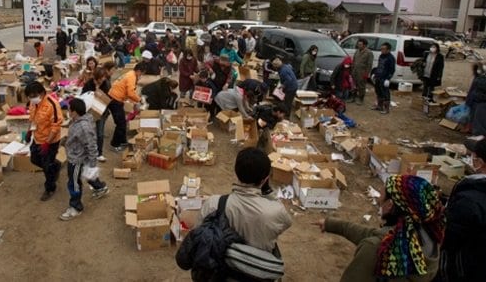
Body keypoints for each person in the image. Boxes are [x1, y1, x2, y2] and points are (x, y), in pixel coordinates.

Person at [316, 174, 444, 282]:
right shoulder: (428, 235)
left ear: (389, 205)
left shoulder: (378, 249)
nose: (378, 199)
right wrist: (331, 224)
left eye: (381, 195)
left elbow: (375, 242)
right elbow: (373, 234)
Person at [197, 148, 292, 254]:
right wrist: (268, 191)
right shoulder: (276, 211)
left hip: (221, 267)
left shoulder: (213, 203)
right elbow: (286, 223)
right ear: (265, 179)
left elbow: (200, 232)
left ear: (236, 171)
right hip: (257, 267)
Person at [437, 136, 486, 282]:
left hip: (463, 270)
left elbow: (446, 238)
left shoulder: (470, 201)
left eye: (473, 155)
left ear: (480, 162)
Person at [59, 98, 109, 221]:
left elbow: (91, 145)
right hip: (78, 155)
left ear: (75, 112)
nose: (68, 112)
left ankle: (76, 207)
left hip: (77, 159)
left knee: (74, 183)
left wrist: (93, 164)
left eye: (69, 110)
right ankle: (100, 188)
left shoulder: (83, 126)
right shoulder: (77, 120)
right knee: (87, 175)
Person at [25, 81, 63, 201]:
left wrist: (47, 143)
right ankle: (55, 166)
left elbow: (56, 125)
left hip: (50, 140)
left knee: (46, 166)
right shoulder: (32, 103)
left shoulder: (52, 104)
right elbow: (32, 119)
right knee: (34, 159)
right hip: (38, 137)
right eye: (30, 96)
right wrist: (29, 132)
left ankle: (50, 188)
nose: (32, 98)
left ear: (41, 93)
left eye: (33, 95)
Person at [107, 62, 145, 151]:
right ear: (139, 71)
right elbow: (131, 93)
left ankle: (123, 141)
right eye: (142, 73)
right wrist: (139, 100)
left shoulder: (130, 74)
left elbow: (130, 91)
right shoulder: (131, 76)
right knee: (120, 123)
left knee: (123, 122)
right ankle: (115, 144)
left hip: (116, 98)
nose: (141, 75)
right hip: (115, 99)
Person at [372, 42, 395, 115]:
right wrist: (375, 74)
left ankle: (386, 109)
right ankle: (379, 106)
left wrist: (388, 78)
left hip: (384, 78)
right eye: (381, 49)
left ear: (388, 50)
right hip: (378, 76)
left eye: (383, 49)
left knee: (385, 93)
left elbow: (392, 69)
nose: (382, 50)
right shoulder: (381, 56)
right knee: (378, 91)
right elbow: (379, 66)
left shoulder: (391, 58)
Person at [466, 62, 486, 135]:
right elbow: (472, 89)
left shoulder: (481, 78)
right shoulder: (478, 77)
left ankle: (477, 134)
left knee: (479, 119)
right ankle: (471, 129)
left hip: (481, 101)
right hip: (475, 99)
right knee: (473, 116)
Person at [352, 38, 374, 105]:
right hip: (355, 71)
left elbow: (369, 64)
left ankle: (361, 99)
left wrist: (366, 73)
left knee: (361, 86)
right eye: (358, 44)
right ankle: (353, 97)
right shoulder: (357, 51)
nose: (359, 45)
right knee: (354, 85)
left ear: (364, 45)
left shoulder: (369, 53)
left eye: (360, 44)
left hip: (362, 72)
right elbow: (354, 60)